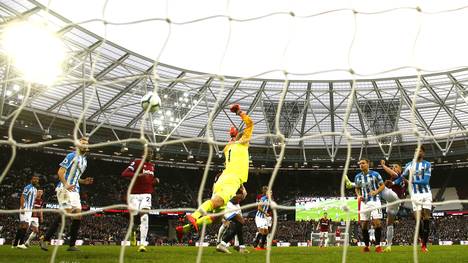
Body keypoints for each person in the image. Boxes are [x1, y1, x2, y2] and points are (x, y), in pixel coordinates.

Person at [176, 104, 253, 238]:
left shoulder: (228, 147)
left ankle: (184, 230)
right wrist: (239, 112)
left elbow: (231, 142)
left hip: (223, 178)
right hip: (232, 179)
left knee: (217, 218)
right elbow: (250, 124)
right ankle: (194, 216)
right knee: (217, 202)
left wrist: (233, 137)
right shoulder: (241, 144)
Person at [40, 137, 94, 252]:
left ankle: (72, 245)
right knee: (67, 212)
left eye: (87, 144)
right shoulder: (71, 156)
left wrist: (84, 181)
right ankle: (45, 239)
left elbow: (76, 177)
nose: (85, 145)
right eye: (83, 143)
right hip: (64, 188)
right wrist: (66, 184)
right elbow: (60, 172)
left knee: (78, 215)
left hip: (75, 190)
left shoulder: (85, 160)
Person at [121, 148, 158, 252]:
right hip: (134, 194)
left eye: (151, 153)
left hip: (146, 194)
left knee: (145, 216)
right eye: (148, 152)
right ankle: (133, 230)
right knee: (135, 215)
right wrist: (138, 175)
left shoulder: (152, 166)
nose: (150, 154)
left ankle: (142, 244)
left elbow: (149, 181)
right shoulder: (136, 162)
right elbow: (124, 174)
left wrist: (155, 181)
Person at [398, 145, 432, 252]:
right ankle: (423, 241)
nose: (417, 152)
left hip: (426, 194)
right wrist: (393, 182)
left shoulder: (427, 164)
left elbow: (425, 181)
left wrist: (411, 182)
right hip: (415, 195)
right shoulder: (409, 165)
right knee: (418, 220)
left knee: (426, 218)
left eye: (420, 151)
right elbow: (402, 177)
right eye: (416, 150)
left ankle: (424, 245)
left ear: (423, 153)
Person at [354, 158, 385, 253]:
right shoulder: (357, 177)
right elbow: (357, 188)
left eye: (363, 163)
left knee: (377, 223)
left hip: (375, 201)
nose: (361, 165)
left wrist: (376, 191)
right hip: (364, 203)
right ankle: (366, 246)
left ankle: (378, 246)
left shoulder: (375, 174)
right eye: (360, 164)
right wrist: (359, 195)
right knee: (364, 225)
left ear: (368, 164)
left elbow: (382, 185)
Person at [380, 160, 407, 252]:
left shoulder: (398, 176)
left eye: (396, 167)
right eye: (393, 167)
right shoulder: (397, 179)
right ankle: (388, 246)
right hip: (394, 202)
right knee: (389, 223)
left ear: (400, 169)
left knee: (379, 184)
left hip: (394, 197)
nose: (394, 168)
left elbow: (394, 174)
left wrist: (383, 165)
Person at [216, 184, 249, 254]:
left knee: (239, 224)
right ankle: (222, 244)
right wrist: (242, 192)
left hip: (233, 206)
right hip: (229, 206)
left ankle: (241, 247)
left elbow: (242, 196)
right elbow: (237, 198)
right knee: (240, 222)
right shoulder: (232, 187)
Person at [13, 175, 39, 249]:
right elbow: (22, 197)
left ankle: (15, 244)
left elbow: (33, 200)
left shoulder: (35, 189)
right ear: (31, 180)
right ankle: (21, 244)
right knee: (25, 226)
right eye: (34, 179)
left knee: (21, 226)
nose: (36, 180)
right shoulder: (28, 187)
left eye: (37, 180)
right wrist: (22, 207)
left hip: (29, 210)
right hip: (25, 208)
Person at [253, 186, 270, 250]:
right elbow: (259, 208)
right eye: (270, 192)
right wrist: (265, 213)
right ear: (266, 193)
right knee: (261, 231)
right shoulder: (263, 199)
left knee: (266, 231)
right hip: (259, 217)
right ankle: (255, 245)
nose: (271, 193)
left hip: (264, 218)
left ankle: (262, 246)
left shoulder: (269, 200)